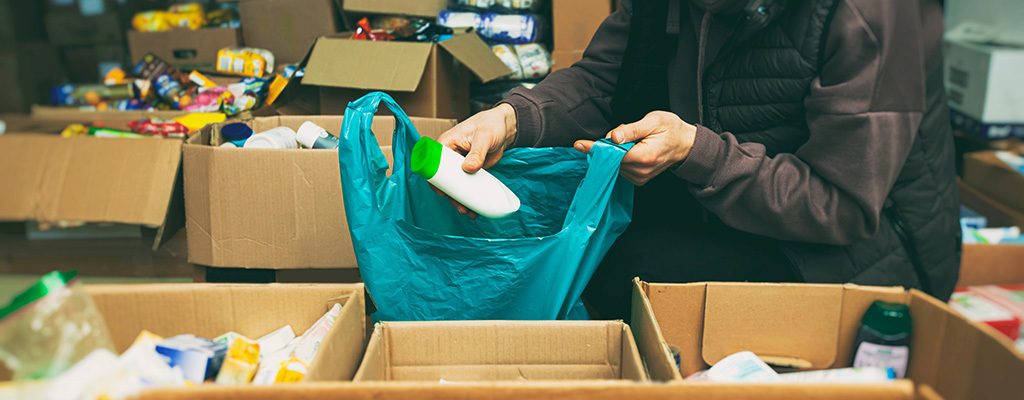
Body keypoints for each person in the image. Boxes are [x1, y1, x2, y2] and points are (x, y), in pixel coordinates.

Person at [437, 0, 960, 320]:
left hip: (857, 256)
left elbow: (839, 205)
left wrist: (696, 152)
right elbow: (602, 80)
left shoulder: (871, 15)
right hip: (722, 205)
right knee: (563, 229)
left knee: (626, 269)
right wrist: (511, 118)